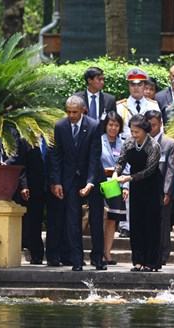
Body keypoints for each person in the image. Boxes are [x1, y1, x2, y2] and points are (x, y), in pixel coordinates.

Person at [49, 95, 106, 271]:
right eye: (69, 112)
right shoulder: (60, 126)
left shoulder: (94, 126)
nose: (72, 115)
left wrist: (90, 182)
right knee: (72, 220)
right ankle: (77, 260)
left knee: (96, 219)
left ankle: (98, 258)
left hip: (92, 176)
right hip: (69, 178)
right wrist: (56, 181)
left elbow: (94, 156)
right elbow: (56, 155)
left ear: (83, 110)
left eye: (75, 112)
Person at [113, 114, 163, 272]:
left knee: (151, 223)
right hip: (136, 186)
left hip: (151, 185)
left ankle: (152, 261)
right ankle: (138, 260)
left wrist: (129, 178)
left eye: (137, 132)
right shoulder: (128, 143)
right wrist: (116, 173)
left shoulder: (153, 146)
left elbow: (150, 170)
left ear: (145, 131)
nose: (134, 135)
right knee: (136, 222)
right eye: (132, 131)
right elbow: (121, 161)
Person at [116, 67, 160, 238]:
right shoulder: (121, 106)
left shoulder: (153, 105)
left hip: (147, 152)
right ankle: (126, 225)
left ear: (144, 85)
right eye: (132, 84)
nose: (136, 88)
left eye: (140, 84)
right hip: (128, 151)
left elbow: (157, 130)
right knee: (126, 187)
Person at [145, 110, 174, 265]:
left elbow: (171, 169)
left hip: (161, 189)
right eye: (149, 125)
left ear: (160, 124)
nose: (151, 128)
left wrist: (167, 191)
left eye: (154, 125)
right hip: (145, 188)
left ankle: (163, 253)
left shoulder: (169, 143)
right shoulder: (141, 141)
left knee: (163, 223)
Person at [8, 136, 47, 265]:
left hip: (51, 185)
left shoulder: (51, 139)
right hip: (32, 187)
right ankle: (36, 254)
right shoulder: (25, 139)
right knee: (33, 221)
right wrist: (24, 185)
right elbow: (22, 164)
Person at [100, 112, 127, 265]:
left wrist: (126, 186)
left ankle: (107, 253)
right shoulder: (98, 141)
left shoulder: (123, 143)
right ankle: (98, 251)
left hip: (117, 184)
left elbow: (128, 166)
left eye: (116, 125)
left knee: (112, 220)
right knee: (100, 217)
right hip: (101, 183)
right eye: (110, 125)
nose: (113, 128)